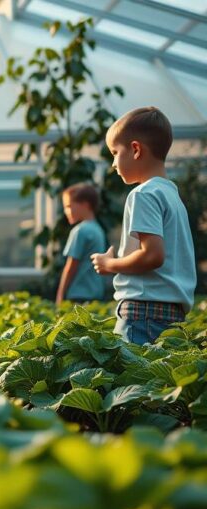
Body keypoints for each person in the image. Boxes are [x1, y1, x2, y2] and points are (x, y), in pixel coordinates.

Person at [91, 106, 195, 345]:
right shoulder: (172, 195)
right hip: (172, 316)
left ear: (136, 149)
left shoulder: (143, 194)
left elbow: (152, 256)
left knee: (131, 380)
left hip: (142, 314)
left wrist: (111, 264)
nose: (114, 164)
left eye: (115, 153)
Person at [55, 183, 107, 306]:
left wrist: (60, 295)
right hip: (96, 294)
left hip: (78, 296)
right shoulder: (98, 230)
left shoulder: (80, 231)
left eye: (69, 206)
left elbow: (71, 265)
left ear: (85, 204)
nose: (66, 211)